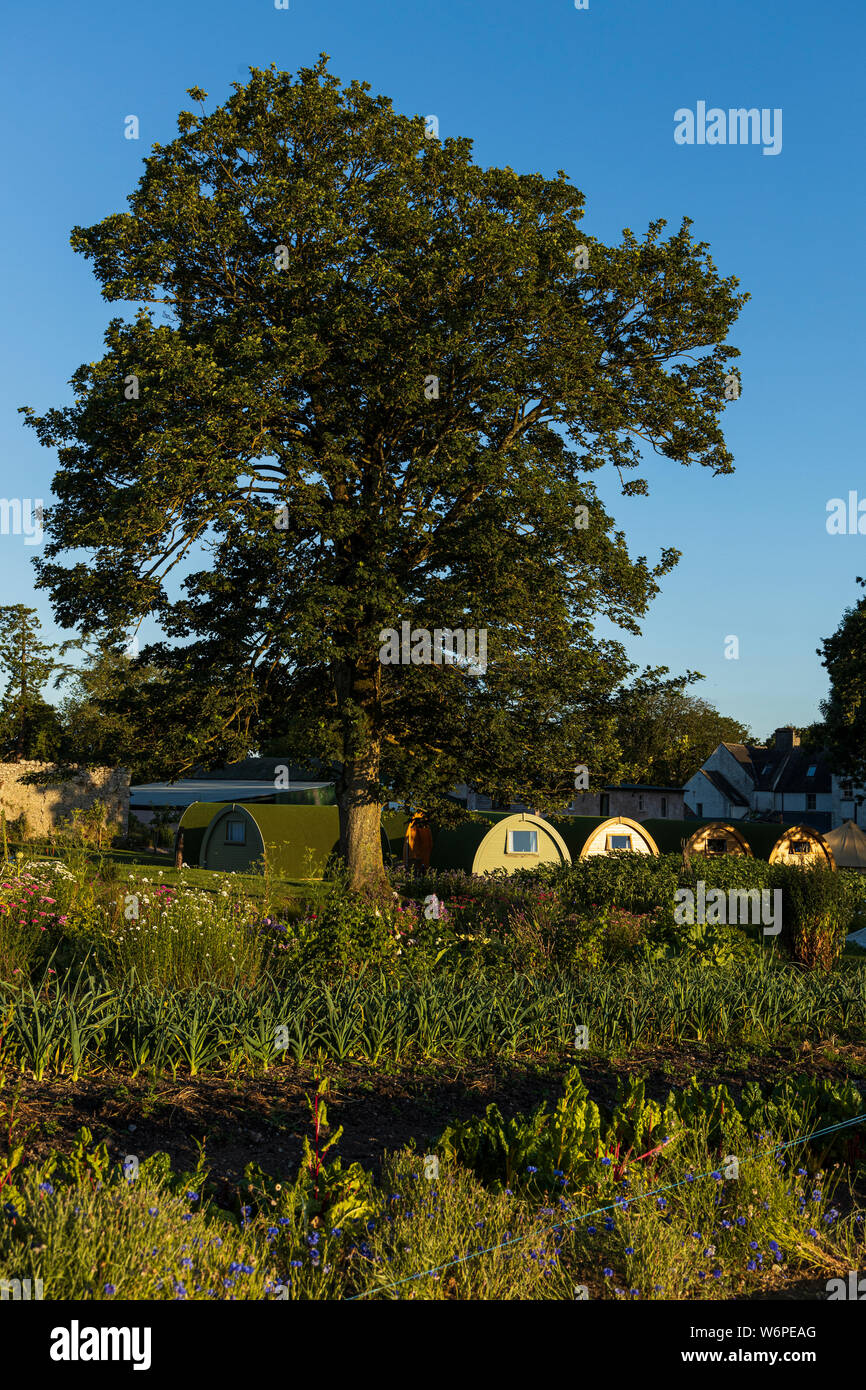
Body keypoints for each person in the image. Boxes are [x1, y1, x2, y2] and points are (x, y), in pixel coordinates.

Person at [403, 811, 433, 878]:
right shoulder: (416, 826)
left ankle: (419, 870)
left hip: (417, 854)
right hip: (415, 855)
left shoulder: (422, 827)